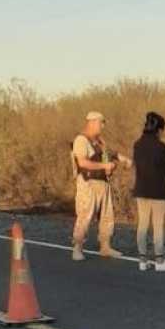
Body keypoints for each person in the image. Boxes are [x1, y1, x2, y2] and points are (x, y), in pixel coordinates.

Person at [71, 111, 132, 261]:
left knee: (107, 216)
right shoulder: (81, 140)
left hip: (103, 182)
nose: (103, 126)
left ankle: (105, 247)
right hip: (88, 183)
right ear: (91, 122)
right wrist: (104, 165)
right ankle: (77, 248)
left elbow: (109, 153)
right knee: (85, 216)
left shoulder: (99, 141)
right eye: (101, 122)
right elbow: (82, 162)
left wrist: (123, 159)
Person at [132, 112, 165, 272]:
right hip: (158, 190)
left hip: (141, 189)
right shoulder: (161, 147)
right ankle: (159, 260)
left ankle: (142, 260)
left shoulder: (137, 145)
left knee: (142, 224)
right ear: (159, 129)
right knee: (158, 225)